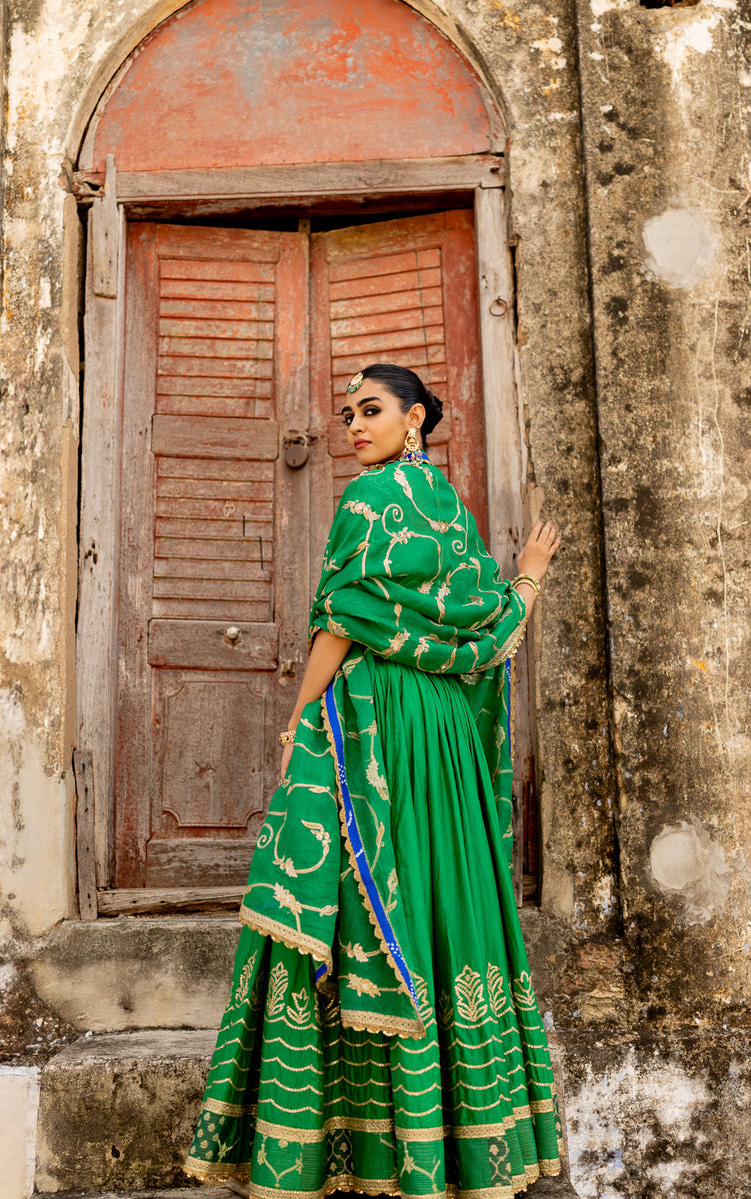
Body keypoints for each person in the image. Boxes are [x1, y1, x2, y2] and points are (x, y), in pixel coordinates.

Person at [185, 363, 565, 1197]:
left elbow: (339, 618)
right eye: (349, 414)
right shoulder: (453, 516)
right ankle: (469, 1144)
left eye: (372, 410)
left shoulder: (365, 503)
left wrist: (298, 720)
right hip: (446, 740)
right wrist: (528, 572)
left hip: (381, 726)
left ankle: (361, 1146)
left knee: (361, 906)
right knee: (443, 904)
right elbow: (492, 630)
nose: (353, 426)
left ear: (415, 418)